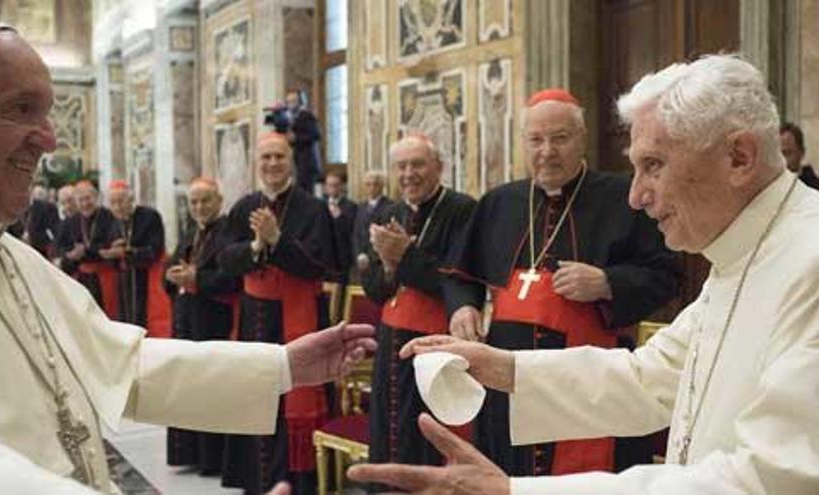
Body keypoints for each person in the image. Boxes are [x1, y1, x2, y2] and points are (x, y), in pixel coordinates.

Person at [0, 11, 375, 495]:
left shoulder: (10, 255)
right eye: (19, 109)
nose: (49, 139)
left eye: (47, 113)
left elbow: (121, 365)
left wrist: (282, 366)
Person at [349, 54, 819, 494]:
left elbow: (771, 478)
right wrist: (504, 368)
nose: (635, 197)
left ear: (739, 157)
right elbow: (649, 378)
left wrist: (517, 490)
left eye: (652, 166)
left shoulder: (809, 261)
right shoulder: (739, 255)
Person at [443, 88, 680, 476]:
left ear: (582, 139)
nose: (547, 151)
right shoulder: (499, 203)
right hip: (508, 388)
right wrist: (462, 307)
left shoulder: (625, 197)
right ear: (523, 143)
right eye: (536, 140)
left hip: (595, 384)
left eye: (560, 138)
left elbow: (666, 275)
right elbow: (459, 275)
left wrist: (608, 282)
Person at [217, 132, 336, 494]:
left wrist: (277, 241)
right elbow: (224, 261)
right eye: (266, 157)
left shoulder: (312, 208)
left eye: (279, 157)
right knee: (258, 393)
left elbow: (323, 264)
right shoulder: (243, 207)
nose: (272, 164)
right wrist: (256, 246)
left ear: (291, 162)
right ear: (257, 162)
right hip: (255, 317)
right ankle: (258, 480)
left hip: (300, 317)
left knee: (294, 392)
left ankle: (297, 482)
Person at [363, 134, 476, 478]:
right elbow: (374, 290)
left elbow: (459, 278)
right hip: (391, 342)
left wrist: (405, 256)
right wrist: (387, 266)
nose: (409, 174)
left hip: (435, 343)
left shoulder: (462, 209)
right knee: (389, 429)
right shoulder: (391, 211)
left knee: (426, 433)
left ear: (439, 167)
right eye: (402, 166)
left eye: (418, 164)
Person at [164, 177, 240, 475]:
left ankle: (212, 458)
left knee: (209, 386)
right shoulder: (190, 233)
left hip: (213, 321)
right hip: (186, 318)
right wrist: (171, 276)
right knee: (187, 384)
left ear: (219, 201)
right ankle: (191, 453)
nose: (199, 207)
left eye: (205, 200)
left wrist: (197, 280)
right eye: (194, 202)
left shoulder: (229, 234)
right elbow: (169, 267)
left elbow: (232, 278)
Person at [104, 179, 168, 335]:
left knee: (146, 323)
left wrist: (128, 252)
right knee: (126, 324)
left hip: (147, 279)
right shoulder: (114, 223)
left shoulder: (150, 216)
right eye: (113, 203)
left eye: (121, 201)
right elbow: (113, 256)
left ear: (131, 199)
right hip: (124, 282)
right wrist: (113, 253)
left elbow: (156, 250)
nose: (117, 207)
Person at [56, 180, 119, 314]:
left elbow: (112, 246)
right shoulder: (70, 222)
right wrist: (69, 255)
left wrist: (87, 252)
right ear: (76, 202)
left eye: (88, 198)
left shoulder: (109, 216)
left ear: (95, 197)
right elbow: (60, 248)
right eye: (81, 200)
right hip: (82, 279)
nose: (85, 204)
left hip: (105, 277)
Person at [351, 171, 393, 277]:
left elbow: (388, 236)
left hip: (380, 261)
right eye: (368, 184)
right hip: (361, 260)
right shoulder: (360, 207)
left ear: (382, 186)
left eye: (375, 184)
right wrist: (359, 254)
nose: (372, 188)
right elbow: (356, 233)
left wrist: (370, 257)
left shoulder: (391, 206)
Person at [323, 170, 359, 281]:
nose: (333, 188)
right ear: (325, 187)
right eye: (330, 185)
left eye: (336, 185)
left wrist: (339, 217)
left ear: (342, 187)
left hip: (342, 257)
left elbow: (352, 231)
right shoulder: (319, 205)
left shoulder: (351, 206)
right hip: (323, 257)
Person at [285, 90, 322, 194]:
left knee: (306, 192)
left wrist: (296, 138)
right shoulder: (292, 118)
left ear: (300, 102)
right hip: (298, 160)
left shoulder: (307, 115)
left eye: (293, 101)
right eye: (288, 102)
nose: (290, 105)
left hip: (307, 162)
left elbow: (316, 134)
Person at [7, 186, 60, 259]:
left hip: (39, 252)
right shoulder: (12, 207)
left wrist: (32, 238)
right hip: (17, 251)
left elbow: (52, 233)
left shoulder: (47, 208)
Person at [780, 122, 819, 189]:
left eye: (788, 153)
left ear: (801, 153)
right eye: (779, 154)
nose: (783, 160)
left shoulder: (814, 189)